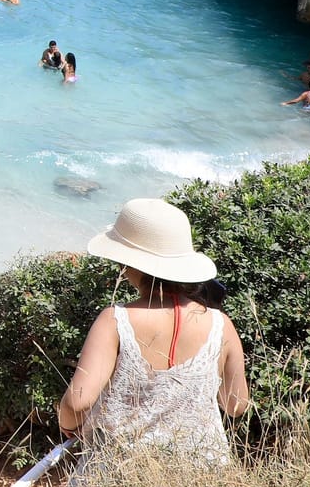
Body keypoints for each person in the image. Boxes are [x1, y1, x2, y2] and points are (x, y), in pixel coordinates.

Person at [57, 199, 249, 472]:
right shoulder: (221, 325)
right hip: (202, 478)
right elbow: (236, 405)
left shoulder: (114, 320)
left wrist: (68, 425)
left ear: (130, 264)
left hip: (120, 476)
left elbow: (77, 401)